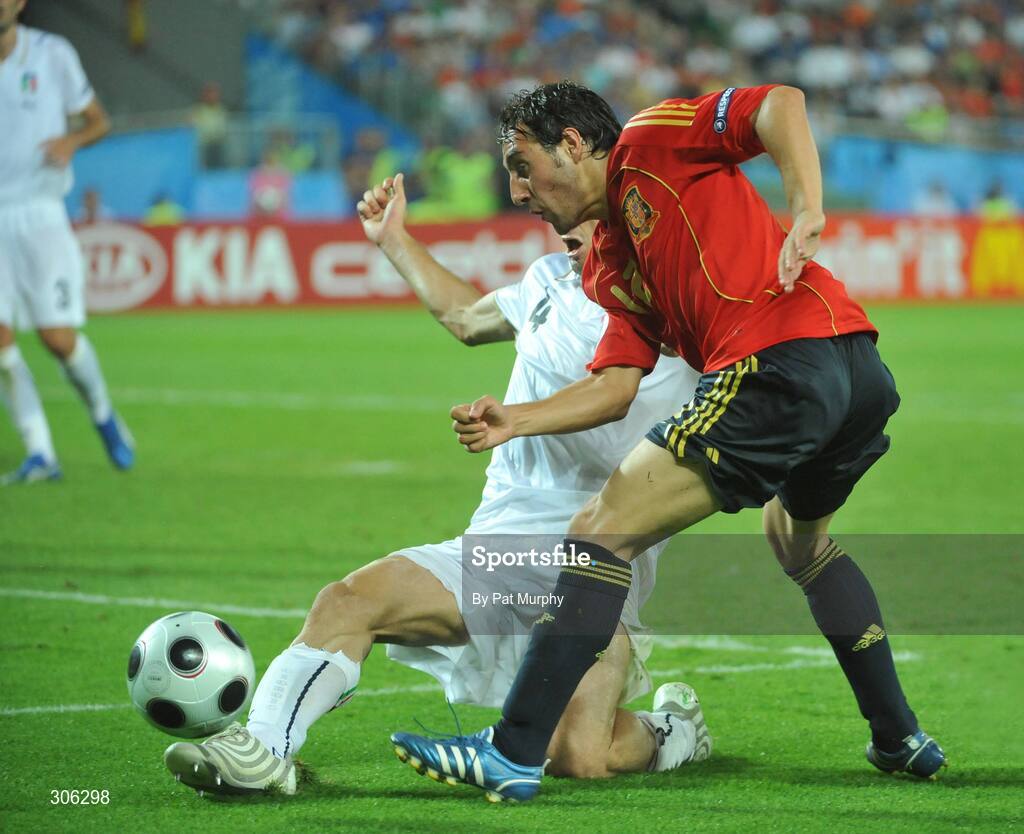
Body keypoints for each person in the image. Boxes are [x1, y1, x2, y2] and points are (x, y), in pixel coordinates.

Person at [391, 81, 946, 802]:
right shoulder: (611, 262)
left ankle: (512, 750)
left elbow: (779, 103)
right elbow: (616, 384)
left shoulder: (653, 140)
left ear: (571, 143)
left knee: (597, 534)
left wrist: (807, 205)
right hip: (854, 372)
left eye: (521, 165)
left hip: (777, 364)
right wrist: (517, 420)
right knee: (802, 544)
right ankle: (898, 734)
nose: (517, 191)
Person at [162, 173, 705, 797]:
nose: (563, 228)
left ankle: (675, 729)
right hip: (503, 546)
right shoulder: (546, 283)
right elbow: (464, 316)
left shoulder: (681, 313)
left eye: (584, 216)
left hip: (601, 561)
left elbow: (615, 393)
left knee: (581, 756)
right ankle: (262, 751)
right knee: (347, 602)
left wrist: (515, 421)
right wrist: (393, 239)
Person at [0, 0, 135, 484]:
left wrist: (70, 142)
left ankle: (103, 413)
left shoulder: (51, 54)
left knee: (57, 339)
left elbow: (97, 120)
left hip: (39, 214)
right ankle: (40, 453)